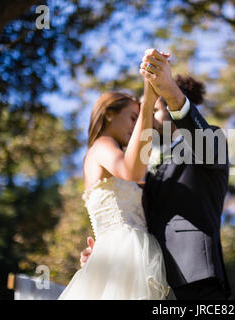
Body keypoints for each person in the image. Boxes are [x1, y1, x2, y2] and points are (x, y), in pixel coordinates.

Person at [80, 49, 231, 300]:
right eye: (137, 115)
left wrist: (169, 90)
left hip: (195, 279)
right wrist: (103, 258)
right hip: (150, 283)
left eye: (149, 111)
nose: (143, 120)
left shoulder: (211, 139)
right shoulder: (143, 165)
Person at [58, 67, 175, 299]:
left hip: (139, 252)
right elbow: (130, 170)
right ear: (110, 113)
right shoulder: (102, 145)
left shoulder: (120, 153)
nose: (136, 126)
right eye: (133, 117)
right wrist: (149, 96)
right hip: (122, 253)